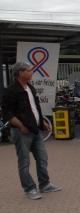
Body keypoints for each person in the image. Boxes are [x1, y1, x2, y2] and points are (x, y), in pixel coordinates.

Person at [1, 61, 62, 199]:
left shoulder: (30, 88)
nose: (32, 72)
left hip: (35, 130)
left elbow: (35, 108)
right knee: (24, 161)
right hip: (22, 132)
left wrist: (42, 123)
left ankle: (44, 184)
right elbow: (7, 113)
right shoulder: (11, 91)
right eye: (29, 71)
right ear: (21, 73)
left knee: (42, 157)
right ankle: (29, 189)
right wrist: (21, 126)